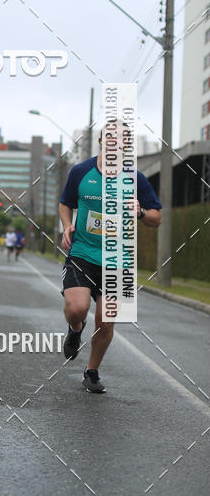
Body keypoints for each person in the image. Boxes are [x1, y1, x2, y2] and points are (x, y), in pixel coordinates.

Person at [59, 123, 162, 393]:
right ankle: (75, 329)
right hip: (82, 253)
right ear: (102, 141)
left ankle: (91, 371)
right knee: (77, 309)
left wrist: (141, 212)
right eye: (112, 136)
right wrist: (67, 225)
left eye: (123, 138)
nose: (117, 141)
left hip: (117, 260)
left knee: (105, 322)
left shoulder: (136, 179)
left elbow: (156, 218)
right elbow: (65, 202)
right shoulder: (81, 171)